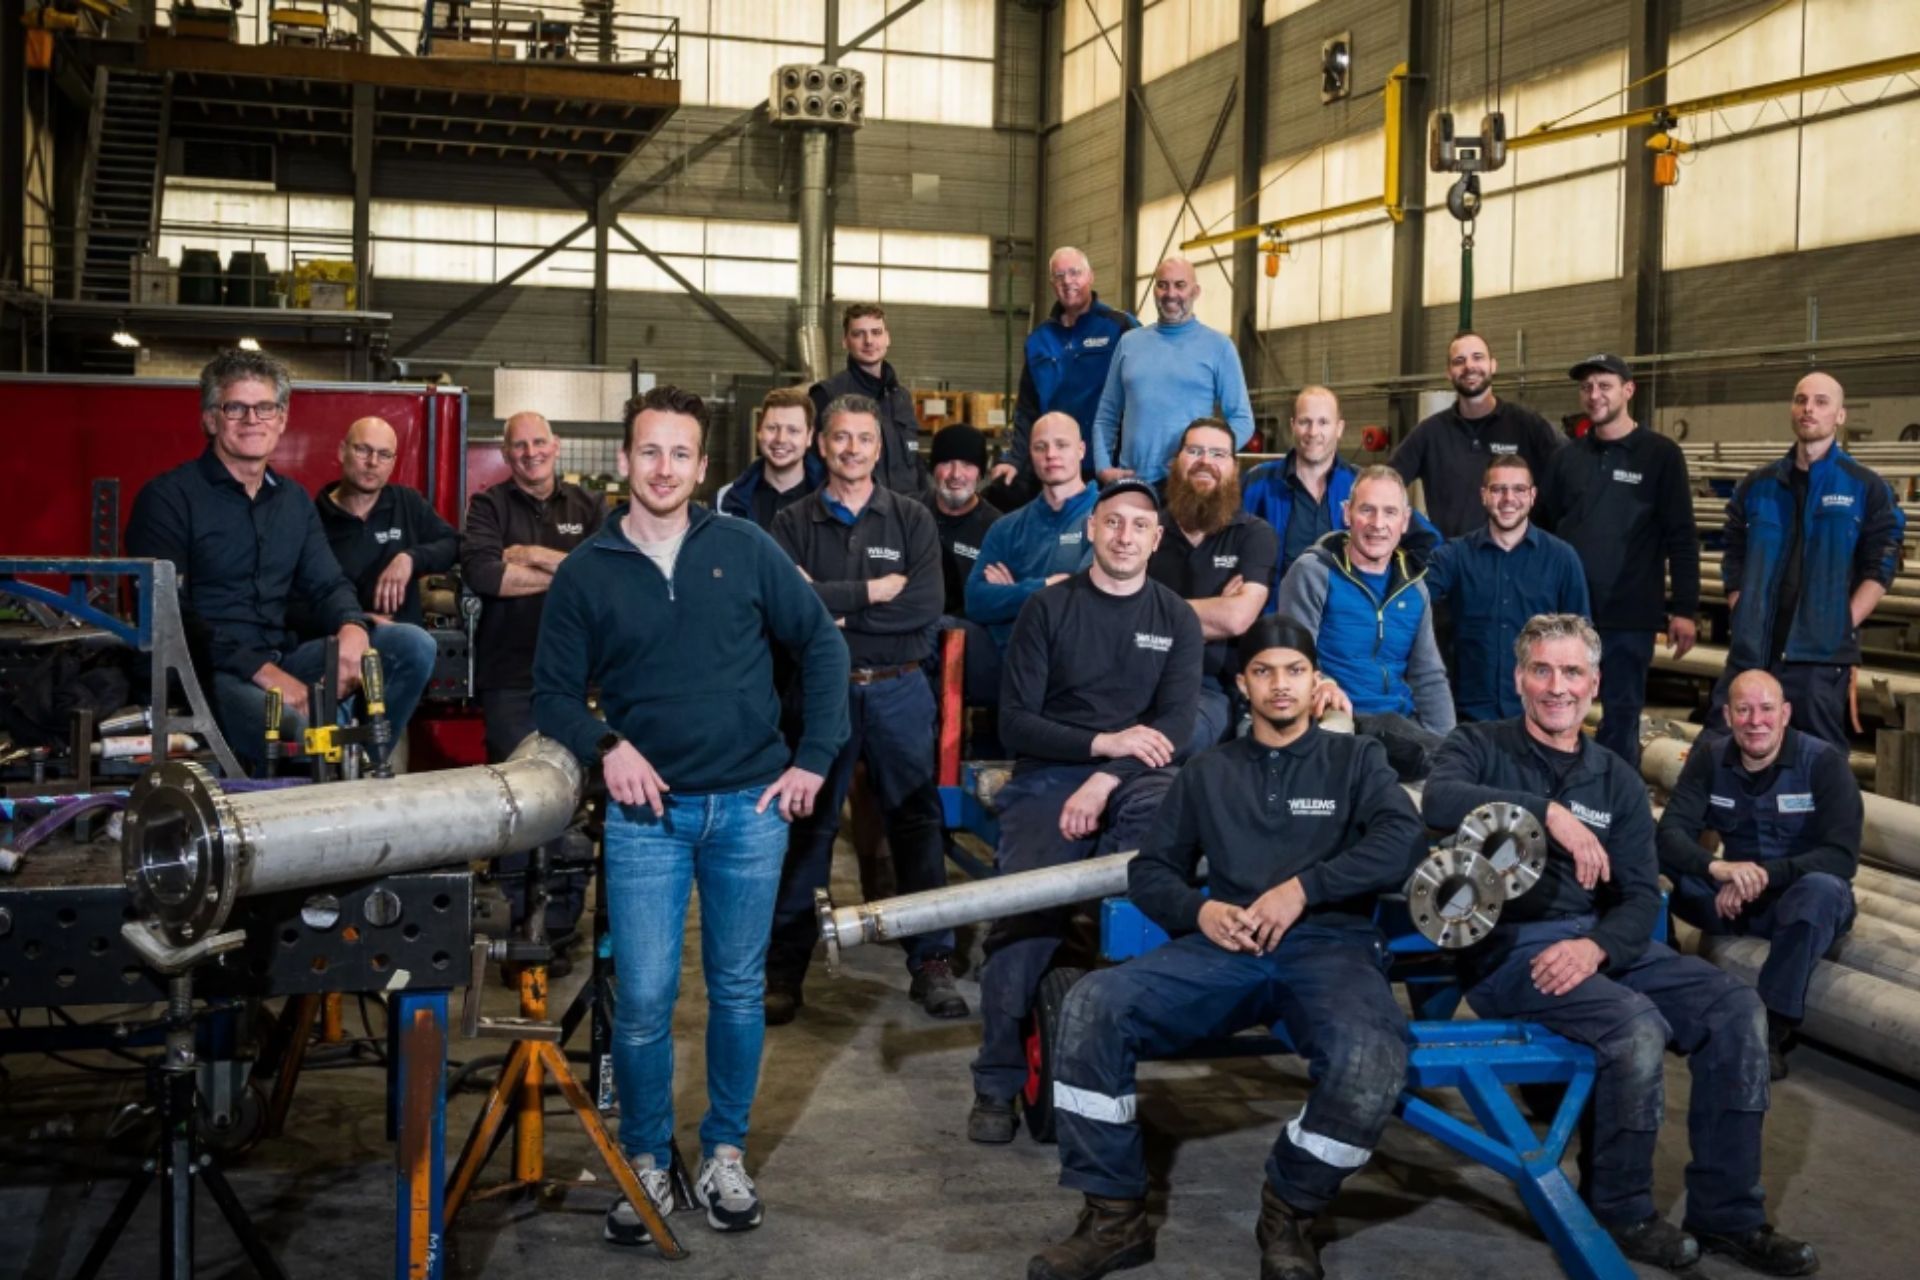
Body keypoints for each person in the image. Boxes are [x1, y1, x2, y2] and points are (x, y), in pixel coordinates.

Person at [531, 384, 849, 1245]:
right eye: (648, 451)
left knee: (739, 991)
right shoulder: (588, 571)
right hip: (648, 819)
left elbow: (821, 644)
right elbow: (553, 693)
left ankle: (723, 1153)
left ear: (703, 466)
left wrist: (813, 758)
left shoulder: (744, 548)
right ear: (623, 461)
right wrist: (606, 747)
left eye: (681, 453)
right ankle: (643, 1157)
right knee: (641, 1001)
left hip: (750, 809)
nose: (663, 468)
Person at [1423, 614, 1820, 1277]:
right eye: (1543, 671)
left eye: (1573, 672)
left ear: (1595, 682)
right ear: (1520, 679)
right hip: (1510, 948)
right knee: (1631, 1027)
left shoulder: (1614, 776)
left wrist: (1599, 950)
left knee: (1735, 1010)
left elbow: (1640, 895)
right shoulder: (1478, 746)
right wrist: (1546, 813)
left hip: (1603, 943)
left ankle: (1729, 1215)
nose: (1558, 687)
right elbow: (1440, 798)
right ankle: (1618, 1207)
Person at [1031, 616, 1426, 1280]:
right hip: (1225, 948)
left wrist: (1304, 890)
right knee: (1092, 1005)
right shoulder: (1208, 771)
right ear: (1243, 684)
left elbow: (1401, 842)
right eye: (1265, 671)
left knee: (1370, 1058)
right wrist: (1201, 910)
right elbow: (1152, 872)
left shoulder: (1356, 760)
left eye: (1294, 671)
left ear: (1315, 682)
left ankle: (1291, 1209)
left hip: (1329, 950)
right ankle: (1113, 1215)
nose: (1280, 685)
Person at [968, 480, 1202, 1144]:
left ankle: (1126, 1021)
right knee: (1026, 910)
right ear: (1092, 531)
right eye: (1113, 523)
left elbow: (1177, 728)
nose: (1125, 536)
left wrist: (1106, 776)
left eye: (1139, 526)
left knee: (1159, 870)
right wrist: (1100, 746)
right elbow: (1016, 724)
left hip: (1139, 775)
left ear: (1157, 540)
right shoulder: (1049, 608)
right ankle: (995, 1079)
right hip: (1050, 774)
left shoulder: (1175, 618)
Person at [125, 349, 436, 775]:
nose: (253, 419)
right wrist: (266, 674)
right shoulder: (168, 500)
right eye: (236, 407)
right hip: (207, 673)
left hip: (281, 659)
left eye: (265, 408)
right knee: (297, 733)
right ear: (211, 419)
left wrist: (351, 627)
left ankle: (361, 766)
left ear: (282, 419)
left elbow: (328, 583)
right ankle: (339, 766)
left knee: (411, 646)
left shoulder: (292, 501)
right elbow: (173, 618)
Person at [766, 394, 965, 1023]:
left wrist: (830, 607)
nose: (852, 449)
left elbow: (923, 608)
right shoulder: (791, 523)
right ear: (821, 446)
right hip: (821, 693)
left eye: (864, 439)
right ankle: (783, 972)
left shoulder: (910, 518)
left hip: (901, 689)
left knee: (916, 821)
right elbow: (784, 613)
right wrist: (867, 595)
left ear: (880, 449)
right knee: (810, 825)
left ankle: (931, 962)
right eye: (840, 438)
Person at [1658, 669, 1860, 1080]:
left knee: (1820, 890)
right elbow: (1670, 834)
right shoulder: (1710, 759)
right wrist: (1717, 868)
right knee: (1642, 847)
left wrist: (1761, 876)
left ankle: (1770, 1029)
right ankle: (1662, 991)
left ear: (1785, 713)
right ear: (1728, 716)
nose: (1756, 721)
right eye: (1744, 710)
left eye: (1766, 709)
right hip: (1729, 899)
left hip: (1799, 901)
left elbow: (1841, 857)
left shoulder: (1823, 764)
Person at [461, 410, 605, 954]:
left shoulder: (588, 506)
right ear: (507, 451)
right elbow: (484, 574)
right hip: (510, 675)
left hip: (582, 678)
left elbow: (606, 574)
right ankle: (521, 926)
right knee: (520, 798)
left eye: (538, 442)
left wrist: (539, 557)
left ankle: (562, 924)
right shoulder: (489, 506)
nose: (530, 452)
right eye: (518, 445)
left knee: (575, 800)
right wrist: (570, 572)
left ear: (556, 445)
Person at [1713, 372, 1905, 748]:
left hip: (1818, 659)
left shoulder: (1864, 486)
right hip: (1753, 651)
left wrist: (1842, 621)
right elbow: (1733, 548)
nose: (1808, 409)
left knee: (1816, 760)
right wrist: (1739, 603)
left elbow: (1883, 562)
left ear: (1840, 415)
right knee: (1723, 752)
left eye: (1821, 402)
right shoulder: (1759, 485)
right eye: (1801, 400)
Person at [1536, 354, 1699, 768]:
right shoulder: (1566, 460)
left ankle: (1611, 804)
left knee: (1621, 716)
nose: (1595, 395)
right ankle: (1557, 789)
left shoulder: (1660, 455)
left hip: (1630, 615)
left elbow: (1681, 534)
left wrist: (1684, 608)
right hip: (1569, 615)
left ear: (1629, 390)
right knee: (1557, 707)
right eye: (1587, 387)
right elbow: (1541, 532)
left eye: (1605, 385)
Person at [1273, 467, 1454, 776]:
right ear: (1347, 513)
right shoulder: (1313, 572)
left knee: (1468, 753)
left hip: (1399, 726)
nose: (1378, 524)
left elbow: (1428, 676)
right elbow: (1291, 658)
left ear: (1405, 521)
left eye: (1389, 512)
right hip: (1340, 719)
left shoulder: (1415, 587)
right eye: (1367, 510)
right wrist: (1323, 682)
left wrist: (1450, 745)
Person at [1423, 455, 1589, 721]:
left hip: (1537, 714)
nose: (1508, 498)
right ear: (1484, 495)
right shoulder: (1454, 557)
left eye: (1519, 490)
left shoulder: (1562, 559)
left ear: (1533, 496)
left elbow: (1581, 643)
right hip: (1467, 715)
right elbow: (1408, 600)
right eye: (1498, 489)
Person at [1148, 418, 1277, 750]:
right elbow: (1112, 613)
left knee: (1176, 742)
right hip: (1136, 677)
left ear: (1234, 468)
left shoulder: (1253, 535)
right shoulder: (1146, 529)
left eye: (1218, 454)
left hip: (1208, 690)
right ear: (1176, 462)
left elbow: (1237, 618)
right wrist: (1212, 611)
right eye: (1194, 451)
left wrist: (1148, 613)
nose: (1206, 461)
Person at [1090, 258, 1253, 486]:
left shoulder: (1219, 347)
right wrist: (1103, 467)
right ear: (1154, 290)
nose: (1170, 293)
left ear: (1195, 292)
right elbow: (1106, 415)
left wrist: (1206, 460)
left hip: (1189, 485)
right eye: (1162, 285)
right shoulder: (1129, 343)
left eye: (1180, 285)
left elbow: (1242, 420)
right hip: (1132, 482)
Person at [992, 246, 1137, 495]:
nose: (1068, 281)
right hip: (1054, 463)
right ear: (1052, 283)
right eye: (1059, 276)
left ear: (1090, 276)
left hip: (1104, 465)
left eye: (1075, 273)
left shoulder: (1120, 327)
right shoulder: (1039, 339)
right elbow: (1027, 409)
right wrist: (1013, 460)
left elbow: (1143, 391)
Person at [1390, 331, 1564, 538]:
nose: (1469, 366)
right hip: (1454, 563)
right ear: (1449, 372)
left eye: (1477, 357)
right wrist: (1420, 534)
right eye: (1459, 361)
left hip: (1517, 562)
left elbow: (1571, 472)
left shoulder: (1528, 426)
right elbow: (1386, 483)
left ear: (1493, 365)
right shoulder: (1430, 433)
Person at [965, 412, 1100, 650]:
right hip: (1011, 665)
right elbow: (975, 601)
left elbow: (1084, 602)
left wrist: (1011, 594)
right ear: (1030, 453)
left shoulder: (1106, 520)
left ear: (1081, 450)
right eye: (1040, 447)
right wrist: (1045, 585)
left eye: (1061, 445)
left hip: (1076, 667)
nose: (1051, 455)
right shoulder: (1006, 528)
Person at [311, 416, 459, 628]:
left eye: (384, 454)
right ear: (342, 452)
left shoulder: (407, 503)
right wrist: (359, 621)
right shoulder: (312, 516)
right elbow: (294, 600)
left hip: (402, 641)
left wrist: (410, 558)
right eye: (363, 450)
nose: (373, 462)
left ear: (393, 463)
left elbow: (454, 543)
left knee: (415, 642)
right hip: (336, 639)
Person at [1242, 386, 1358, 594]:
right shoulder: (1258, 483)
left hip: (1340, 619)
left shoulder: (1362, 485)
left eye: (1323, 422)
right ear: (1293, 425)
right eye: (1305, 422)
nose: (1313, 432)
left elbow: (1419, 536)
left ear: (1339, 428)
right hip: (1275, 616)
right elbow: (1224, 538)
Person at [809, 303, 931, 500]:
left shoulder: (901, 397)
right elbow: (813, 467)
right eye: (858, 334)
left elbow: (914, 461)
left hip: (907, 515)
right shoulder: (827, 395)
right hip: (855, 515)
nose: (869, 341)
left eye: (876, 332)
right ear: (845, 341)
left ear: (887, 338)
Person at [926, 423, 1004, 706]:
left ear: (981, 472)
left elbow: (996, 600)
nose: (956, 475)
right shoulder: (910, 515)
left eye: (968, 465)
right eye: (946, 463)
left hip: (972, 642)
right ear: (933, 469)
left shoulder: (998, 528)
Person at [718, 387, 826, 530]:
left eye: (793, 430)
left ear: (809, 437)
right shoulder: (726, 501)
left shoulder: (833, 499)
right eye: (772, 428)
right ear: (759, 431)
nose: (781, 439)